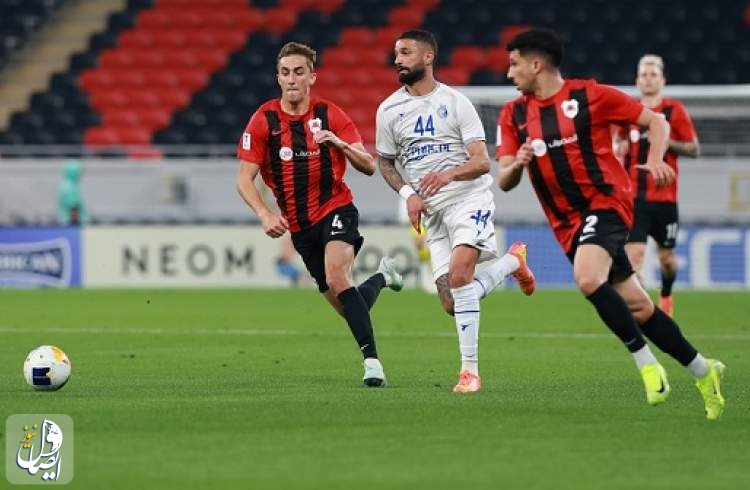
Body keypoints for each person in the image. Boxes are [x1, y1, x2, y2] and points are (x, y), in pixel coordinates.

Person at [496, 28, 724, 419]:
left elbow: (657, 123)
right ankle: (703, 371)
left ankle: (647, 365)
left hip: (607, 202)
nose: (508, 73)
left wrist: (655, 160)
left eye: (514, 63)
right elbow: (503, 179)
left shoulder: (589, 95)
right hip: (565, 221)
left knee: (587, 278)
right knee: (637, 305)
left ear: (536, 65)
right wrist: (516, 164)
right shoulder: (512, 114)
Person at [376, 29, 536, 393]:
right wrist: (407, 193)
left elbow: (482, 162)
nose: (397, 59)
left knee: (462, 278)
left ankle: (469, 373)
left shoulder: (456, 102)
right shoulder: (388, 110)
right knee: (451, 302)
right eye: (396, 53)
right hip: (430, 212)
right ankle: (514, 262)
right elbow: (384, 162)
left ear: (428, 57)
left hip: (467, 199)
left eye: (405, 52)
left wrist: (447, 174)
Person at [236, 42, 403, 387]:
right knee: (348, 306)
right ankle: (383, 278)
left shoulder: (330, 115)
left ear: (313, 77)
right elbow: (243, 179)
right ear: (277, 78)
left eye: (299, 72)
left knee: (338, 277)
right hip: (299, 226)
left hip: (336, 207)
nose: (291, 79)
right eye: (285, 72)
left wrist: (338, 145)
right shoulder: (263, 120)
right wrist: (265, 215)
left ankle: (372, 364)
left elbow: (369, 165)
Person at [621, 54, 699, 317]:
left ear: (662, 80)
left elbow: (693, 148)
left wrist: (663, 142)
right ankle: (645, 312)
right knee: (634, 259)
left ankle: (666, 293)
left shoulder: (674, 111)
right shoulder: (629, 112)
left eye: (653, 74)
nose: (648, 79)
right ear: (637, 80)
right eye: (644, 74)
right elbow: (617, 146)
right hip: (635, 198)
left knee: (666, 259)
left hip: (665, 198)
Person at [58, 159, 88, 226]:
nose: (80, 175)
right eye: (78, 172)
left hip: (64, 223)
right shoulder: (70, 187)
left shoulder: (65, 185)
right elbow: (73, 209)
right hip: (71, 225)